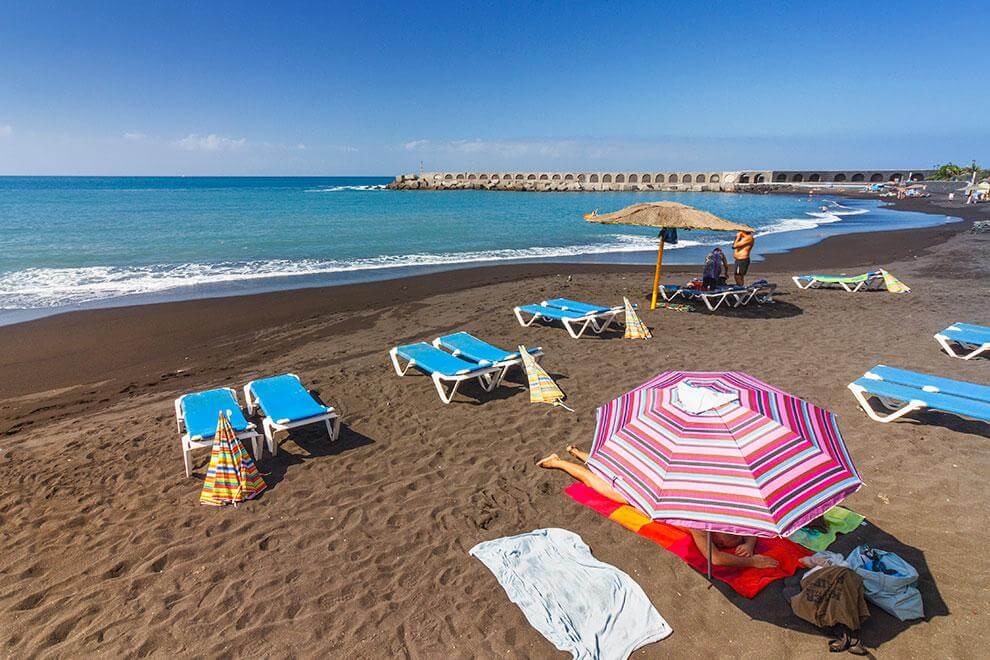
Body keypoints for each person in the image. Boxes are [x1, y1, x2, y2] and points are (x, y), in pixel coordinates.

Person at [538, 446, 779, 569]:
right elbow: (714, 559)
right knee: (608, 488)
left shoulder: (727, 511)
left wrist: (749, 544)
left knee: (620, 478)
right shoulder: (699, 524)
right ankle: (559, 462)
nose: (737, 535)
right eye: (735, 536)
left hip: (669, 488)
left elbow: (749, 529)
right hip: (653, 501)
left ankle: (580, 453)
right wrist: (753, 562)